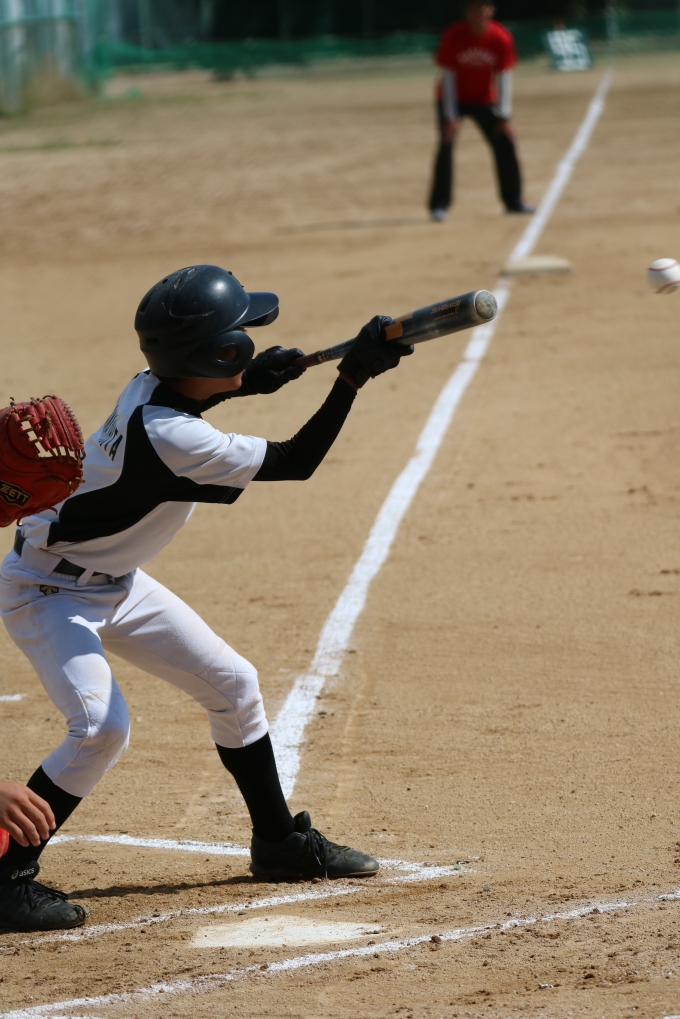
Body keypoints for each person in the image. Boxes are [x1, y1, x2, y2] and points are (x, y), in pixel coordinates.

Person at [0, 265, 413, 932]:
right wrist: (350, 379)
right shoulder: (175, 439)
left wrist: (253, 381)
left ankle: (278, 843)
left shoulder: (148, 388)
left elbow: (189, 401)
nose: (250, 341)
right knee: (100, 728)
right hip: (49, 591)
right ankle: (5, 874)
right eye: (241, 339)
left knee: (234, 684)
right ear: (218, 353)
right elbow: (297, 459)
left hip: (114, 579)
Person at [428, 0, 535, 221]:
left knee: (504, 142)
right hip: (452, 99)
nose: (479, 12)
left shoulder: (500, 37)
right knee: (446, 146)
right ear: (467, 11)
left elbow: (504, 76)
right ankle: (439, 206)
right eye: (474, 7)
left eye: (484, 7)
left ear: (491, 10)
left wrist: (504, 115)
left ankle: (513, 201)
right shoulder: (453, 35)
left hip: (484, 98)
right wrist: (450, 116)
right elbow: (448, 76)